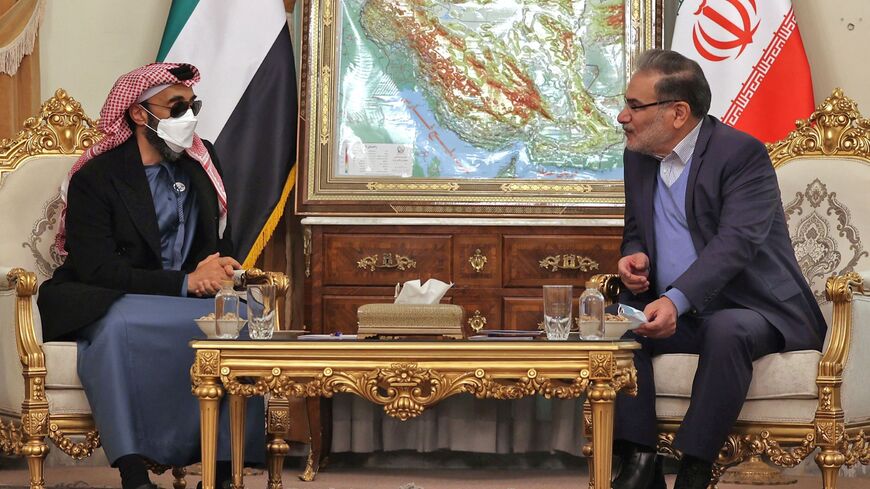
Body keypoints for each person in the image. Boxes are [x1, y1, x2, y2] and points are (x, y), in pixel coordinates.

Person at [37, 63, 264, 489]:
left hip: (183, 295)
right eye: (176, 108)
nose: (188, 117)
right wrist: (184, 282)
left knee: (244, 317)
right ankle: (134, 472)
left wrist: (220, 267)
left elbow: (219, 239)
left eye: (193, 106)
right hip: (113, 293)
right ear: (139, 113)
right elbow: (98, 269)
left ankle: (222, 468)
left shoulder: (202, 161)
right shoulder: (97, 177)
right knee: (118, 325)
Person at [611, 49, 826, 489]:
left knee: (727, 329)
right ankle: (639, 463)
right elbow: (635, 228)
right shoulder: (638, 155)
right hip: (677, 308)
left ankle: (695, 468)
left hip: (753, 306)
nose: (622, 116)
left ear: (677, 113)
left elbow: (736, 243)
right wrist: (634, 256)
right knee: (617, 327)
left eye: (634, 106)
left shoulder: (741, 154)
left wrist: (675, 300)